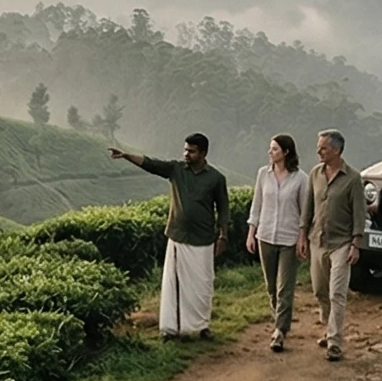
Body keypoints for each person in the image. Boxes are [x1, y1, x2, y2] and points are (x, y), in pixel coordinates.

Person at [109, 133, 230, 340]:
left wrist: (223, 236)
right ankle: (171, 329)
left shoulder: (216, 179)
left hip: (202, 239)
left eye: (191, 151)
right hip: (178, 236)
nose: (186, 154)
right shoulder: (176, 170)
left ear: (203, 153)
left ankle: (201, 327)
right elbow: (150, 164)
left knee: (202, 285)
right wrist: (126, 155)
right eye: (185, 150)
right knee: (174, 285)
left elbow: (223, 209)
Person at [297, 128, 368, 362]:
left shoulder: (353, 178)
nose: (319, 151)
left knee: (337, 292)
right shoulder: (315, 174)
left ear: (336, 150)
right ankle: (328, 328)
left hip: (342, 244)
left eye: (323, 147)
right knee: (320, 290)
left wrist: (356, 244)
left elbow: (360, 213)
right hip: (317, 241)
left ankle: (335, 341)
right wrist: (302, 236)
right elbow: (308, 208)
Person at [246, 133, 308, 352]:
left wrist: (303, 238)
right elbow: (257, 205)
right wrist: (251, 232)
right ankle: (279, 321)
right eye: (270, 149)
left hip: (289, 239)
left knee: (285, 287)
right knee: (271, 286)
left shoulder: (301, 178)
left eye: (274, 149)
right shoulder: (263, 174)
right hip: (266, 237)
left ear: (286, 152)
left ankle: (280, 330)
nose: (270, 152)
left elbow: (304, 212)